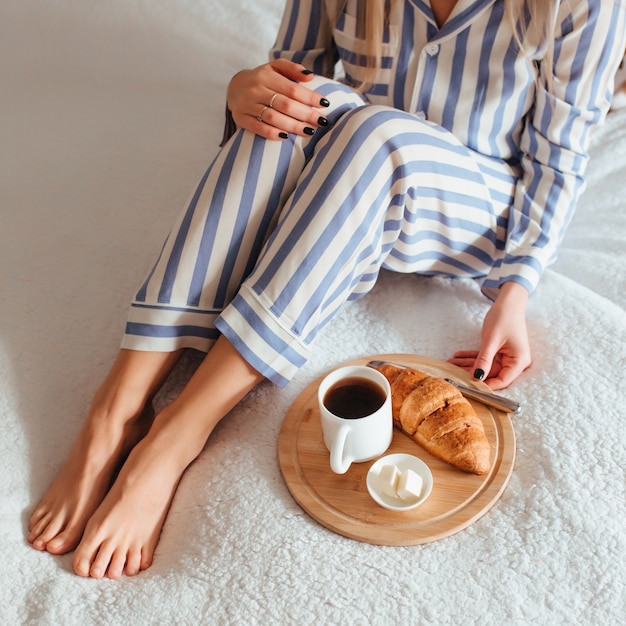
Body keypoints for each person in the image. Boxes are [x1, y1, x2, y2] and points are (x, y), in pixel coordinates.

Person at [27, 0, 626, 579]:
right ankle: (116, 410)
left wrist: (515, 290)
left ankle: (180, 431)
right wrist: (244, 90)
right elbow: (291, 71)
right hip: (350, 163)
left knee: (372, 126)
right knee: (297, 99)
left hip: (477, 201)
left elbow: (558, 161)